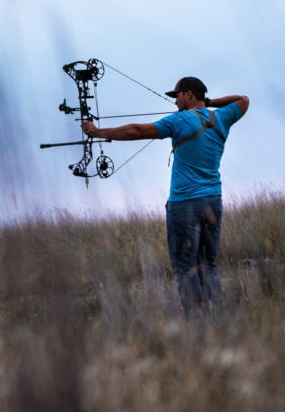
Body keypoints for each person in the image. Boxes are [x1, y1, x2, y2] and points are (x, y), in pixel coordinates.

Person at [82, 77, 249, 316]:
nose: (175, 102)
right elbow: (243, 99)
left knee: (185, 267)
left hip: (184, 204)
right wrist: (209, 102)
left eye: (178, 96)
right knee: (208, 265)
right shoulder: (222, 118)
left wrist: (98, 132)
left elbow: (137, 131)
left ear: (189, 94)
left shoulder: (180, 120)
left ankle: (195, 322)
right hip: (213, 200)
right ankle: (218, 320)